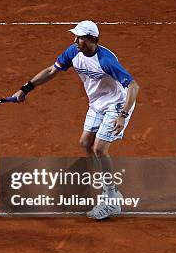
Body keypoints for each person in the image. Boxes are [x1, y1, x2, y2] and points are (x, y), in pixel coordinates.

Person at [12, 20, 140, 220]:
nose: (75, 40)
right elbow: (51, 71)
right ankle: (105, 189)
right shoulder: (73, 52)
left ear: (92, 40)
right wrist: (26, 88)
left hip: (117, 105)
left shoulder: (106, 60)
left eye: (79, 37)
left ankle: (111, 199)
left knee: (100, 149)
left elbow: (133, 86)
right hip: (97, 104)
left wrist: (122, 116)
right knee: (85, 143)